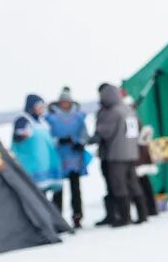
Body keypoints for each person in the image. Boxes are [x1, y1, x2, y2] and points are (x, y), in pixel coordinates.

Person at [93, 82, 146, 227]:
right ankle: (142, 213)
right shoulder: (128, 110)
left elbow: (105, 133)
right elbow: (139, 128)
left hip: (116, 154)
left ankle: (124, 217)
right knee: (134, 184)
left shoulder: (112, 111)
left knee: (119, 185)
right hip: (131, 152)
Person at [45, 89, 90, 229]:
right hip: (59, 157)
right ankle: (57, 218)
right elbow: (48, 136)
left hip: (75, 157)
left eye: (67, 102)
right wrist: (59, 140)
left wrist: (80, 143)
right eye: (62, 102)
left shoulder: (78, 116)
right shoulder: (51, 118)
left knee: (75, 188)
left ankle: (77, 216)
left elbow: (84, 133)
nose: (65, 104)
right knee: (58, 189)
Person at [11, 94, 63, 212]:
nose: (41, 109)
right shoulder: (23, 119)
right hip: (33, 166)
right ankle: (45, 222)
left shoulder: (42, 121)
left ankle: (56, 219)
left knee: (55, 192)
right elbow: (18, 136)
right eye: (39, 106)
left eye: (42, 106)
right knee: (39, 195)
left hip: (48, 164)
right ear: (31, 107)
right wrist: (22, 134)